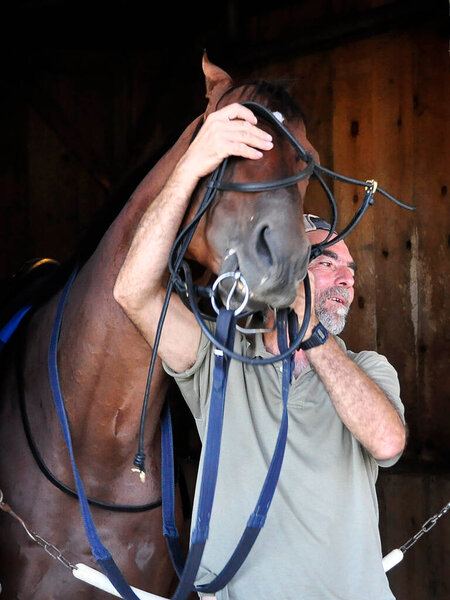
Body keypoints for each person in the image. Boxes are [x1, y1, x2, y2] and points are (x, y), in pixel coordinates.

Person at [114, 102, 406, 600]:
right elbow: (133, 292)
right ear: (288, 264)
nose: (348, 279)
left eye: (352, 269)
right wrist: (193, 164)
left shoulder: (367, 368)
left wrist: (311, 333)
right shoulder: (220, 360)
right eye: (328, 261)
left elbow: (388, 442)